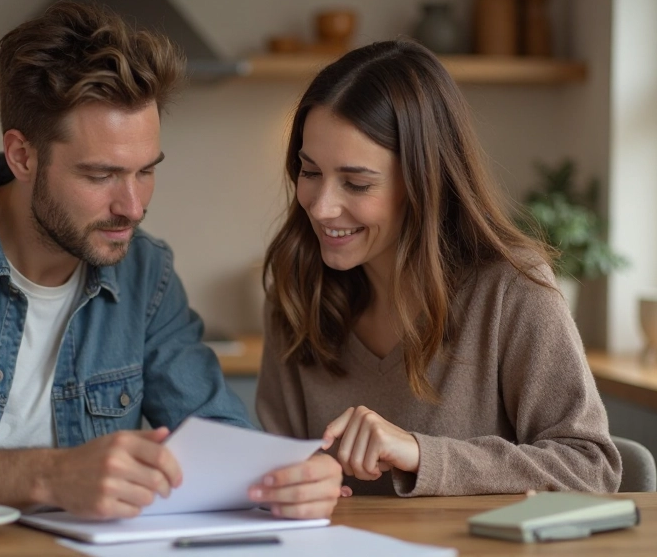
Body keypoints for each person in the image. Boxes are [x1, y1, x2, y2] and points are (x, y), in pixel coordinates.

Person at [0, 0, 341, 519]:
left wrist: (284, 481)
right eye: (100, 175)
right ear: (22, 156)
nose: (132, 207)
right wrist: (49, 475)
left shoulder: (146, 273)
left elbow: (219, 436)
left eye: (145, 170)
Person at [256, 39, 621, 497]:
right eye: (310, 172)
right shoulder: (296, 292)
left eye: (356, 183)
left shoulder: (511, 289)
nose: (322, 207)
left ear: (423, 182)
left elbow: (592, 468)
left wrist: (421, 454)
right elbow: (275, 470)